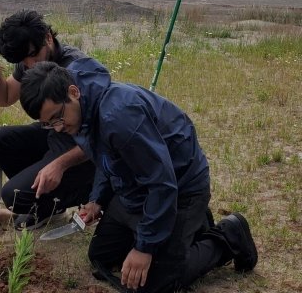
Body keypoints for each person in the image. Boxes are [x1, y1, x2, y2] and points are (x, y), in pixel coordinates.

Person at [19, 58, 258, 293]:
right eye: (49, 124)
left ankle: (227, 236)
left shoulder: (119, 118)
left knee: (153, 283)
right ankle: (188, 228)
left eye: (58, 119)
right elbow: (103, 155)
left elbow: (162, 184)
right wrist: (97, 199)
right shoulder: (80, 107)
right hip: (135, 187)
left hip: (180, 186)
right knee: (101, 257)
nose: (59, 128)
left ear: (73, 92)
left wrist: (144, 249)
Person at [0, 9, 96, 229]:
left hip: (84, 151)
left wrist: (59, 165)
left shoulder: (79, 69)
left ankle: (78, 195)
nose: (29, 64)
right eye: (23, 60)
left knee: (13, 194)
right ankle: (44, 207)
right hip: (54, 133)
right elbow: (4, 96)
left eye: (32, 55)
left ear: (48, 37)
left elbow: (99, 136)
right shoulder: (31, 59)